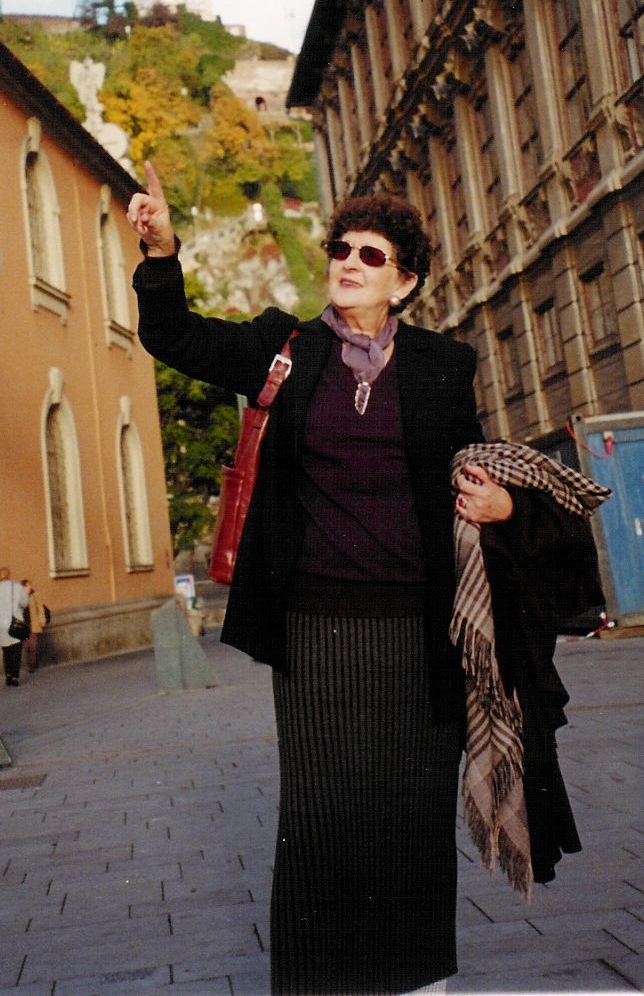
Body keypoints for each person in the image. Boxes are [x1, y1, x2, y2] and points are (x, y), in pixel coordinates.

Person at [128, 162, 603, 996]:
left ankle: (418, 985)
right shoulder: (285, 348)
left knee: (411, 816)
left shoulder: (441, 366)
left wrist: (501, 506)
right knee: (320, 819)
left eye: (371, 255)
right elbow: (177, 337)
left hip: (420, 632)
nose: (349, 263)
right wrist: (163, 255)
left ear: (405, 281)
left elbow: (469, 471)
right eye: (341, 249)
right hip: (313, 630)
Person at [0, 568, 30, 687]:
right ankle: (14, 676)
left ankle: (8, 674)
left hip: (1, 624)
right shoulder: (16, 587)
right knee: (16, 650)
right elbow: (25, 603)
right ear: (9, 575)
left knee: (6, 650)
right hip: (15, 622)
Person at [24, 581, 48, 673]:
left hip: (33, 624)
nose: (28, 588)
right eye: (25, 586)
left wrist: (42, 620)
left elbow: (40, 609)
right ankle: (31, 662)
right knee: (27, 646)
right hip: (24, 626)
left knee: (33, 645)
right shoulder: (20, 598)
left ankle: (32, 665)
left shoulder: (35, 595)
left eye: (28, 586)